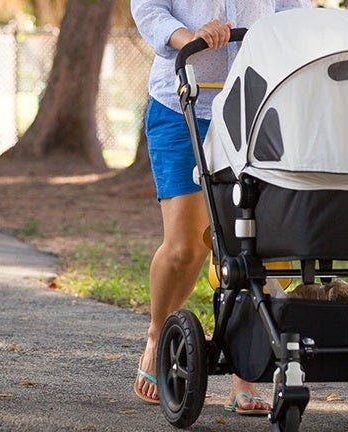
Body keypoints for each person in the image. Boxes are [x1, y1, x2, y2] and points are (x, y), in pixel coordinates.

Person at [130, 0, 312, 415]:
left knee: (252, 243)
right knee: (186, 246)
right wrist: (187, 38)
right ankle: (159, 334)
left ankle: (246, 376)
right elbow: (149, 8)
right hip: (182, 102)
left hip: (256, 106)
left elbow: (294, 12)